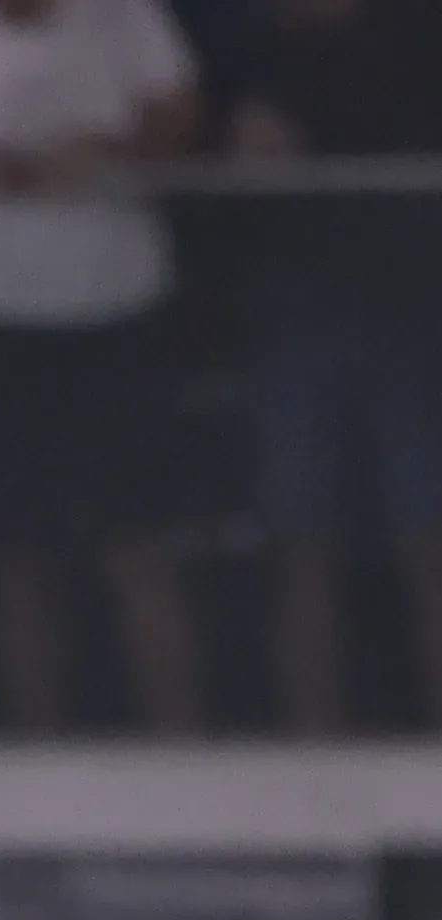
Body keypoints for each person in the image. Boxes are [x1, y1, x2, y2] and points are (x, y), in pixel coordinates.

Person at [0, 0, 208, 737]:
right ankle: (37, 760)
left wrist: (105, 152)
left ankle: (182, 766)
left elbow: (183, 120)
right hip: (3, 315)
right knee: (19, 559)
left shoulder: (124, 16)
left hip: (119, 309)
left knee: (142, 550)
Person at [232, 0, 442, 736]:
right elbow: (235, 144)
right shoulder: (262, 46)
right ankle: (312, 756)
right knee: (302, 539)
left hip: (416, 312)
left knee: (429, 541)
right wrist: (251, 143)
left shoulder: (419, 31)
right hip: (302, 307)